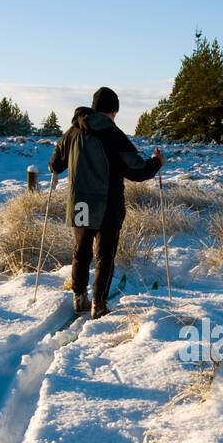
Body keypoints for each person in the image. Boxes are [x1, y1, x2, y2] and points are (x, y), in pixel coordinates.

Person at [48, 87, 165, 318]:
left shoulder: (72, 131)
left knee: (81, 252)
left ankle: (79, 298)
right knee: (105, 255)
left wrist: (60, 165)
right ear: (113, 111)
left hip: (80, 203)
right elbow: (137, 170)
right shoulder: (112, 133)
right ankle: (99, 304)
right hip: (108, 204)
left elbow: (55, 165)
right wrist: (157, 162)